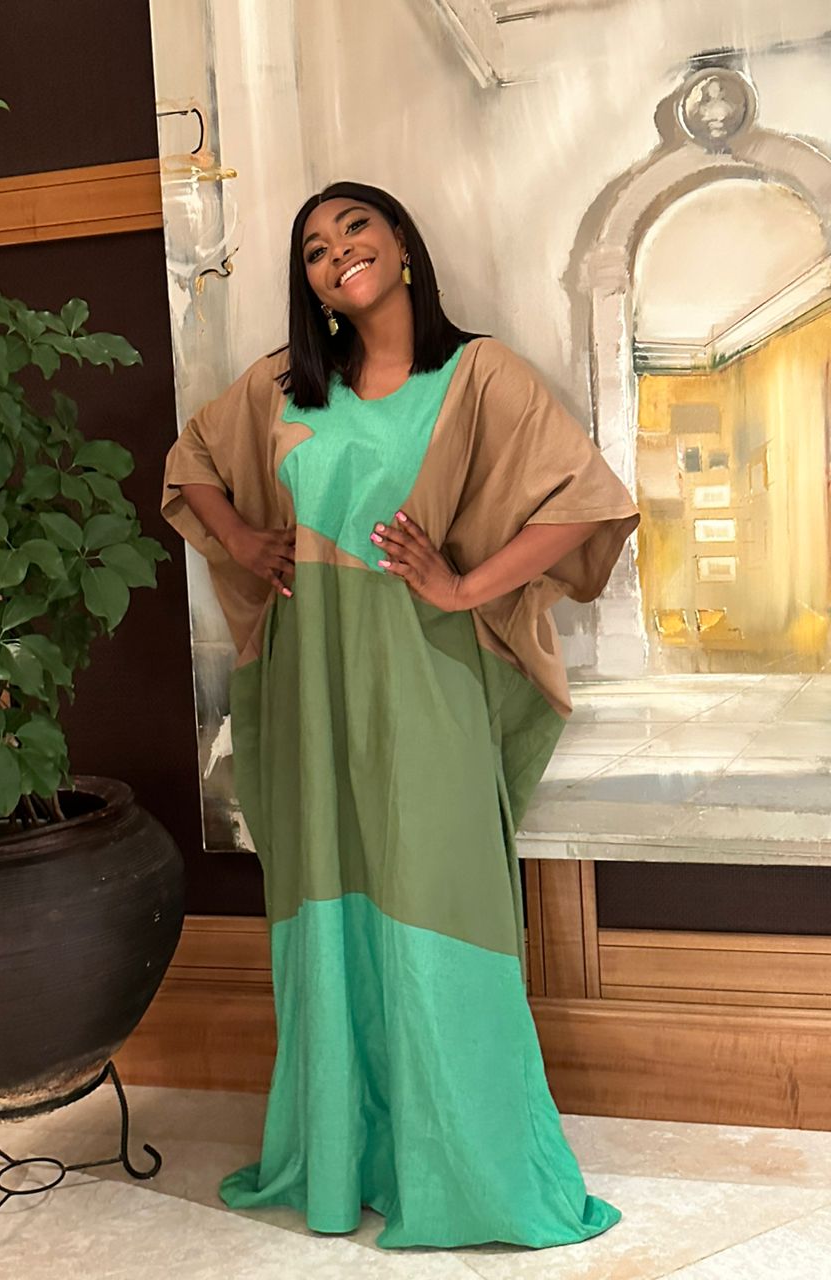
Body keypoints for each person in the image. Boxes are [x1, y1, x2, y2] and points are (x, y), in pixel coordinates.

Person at [162, 181, 639, 1251]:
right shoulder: (289, 388)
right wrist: (245, 542)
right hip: (307, 684)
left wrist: (465, 589)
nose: (338, 255)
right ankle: (341, 1160)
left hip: (423, 679)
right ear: (313, 287)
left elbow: (585, 499)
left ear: (403, 246)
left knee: (442, 907)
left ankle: (468, 1173)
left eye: (355, 231)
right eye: (317, 251)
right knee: (328, 910)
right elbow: (190, 468)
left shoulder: (478, 375)